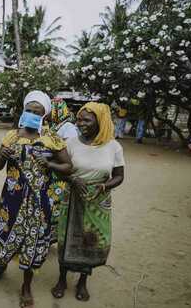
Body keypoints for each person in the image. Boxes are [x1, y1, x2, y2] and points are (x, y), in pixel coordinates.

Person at [0, 91, 73, 308]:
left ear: (44, 114)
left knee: (32, 242)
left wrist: (50, 165)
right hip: (12, 198)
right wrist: (1, 157)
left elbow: (67, 166)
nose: (33, 114)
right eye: (29, 110)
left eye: (38, 112)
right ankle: (0, 265)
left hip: (38, 202)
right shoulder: (12, 136)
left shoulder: (51, 138)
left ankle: (26, 287)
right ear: (23, 111)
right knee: (5, 232)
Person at [51, 102, 125, 302]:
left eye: (87, 120)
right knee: (66, 238)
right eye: (79, 118)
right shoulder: (71, 143)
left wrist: (104, 186)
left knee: (91, 240)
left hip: (98, 201)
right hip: (72, 198)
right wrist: (73, 179)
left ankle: (83, 282)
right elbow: (59, 169)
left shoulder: (113, 146)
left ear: (100, 121)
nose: (80, 123)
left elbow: (119, 176)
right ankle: (62, 279)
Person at [49, 98, 78, 245]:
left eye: (51, 108)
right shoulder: (54, 125)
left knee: (57, 204)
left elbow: (69, 151)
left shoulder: (68, 127)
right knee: (50, 204)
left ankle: (55, 236)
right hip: (52, 171)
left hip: (60, 173)